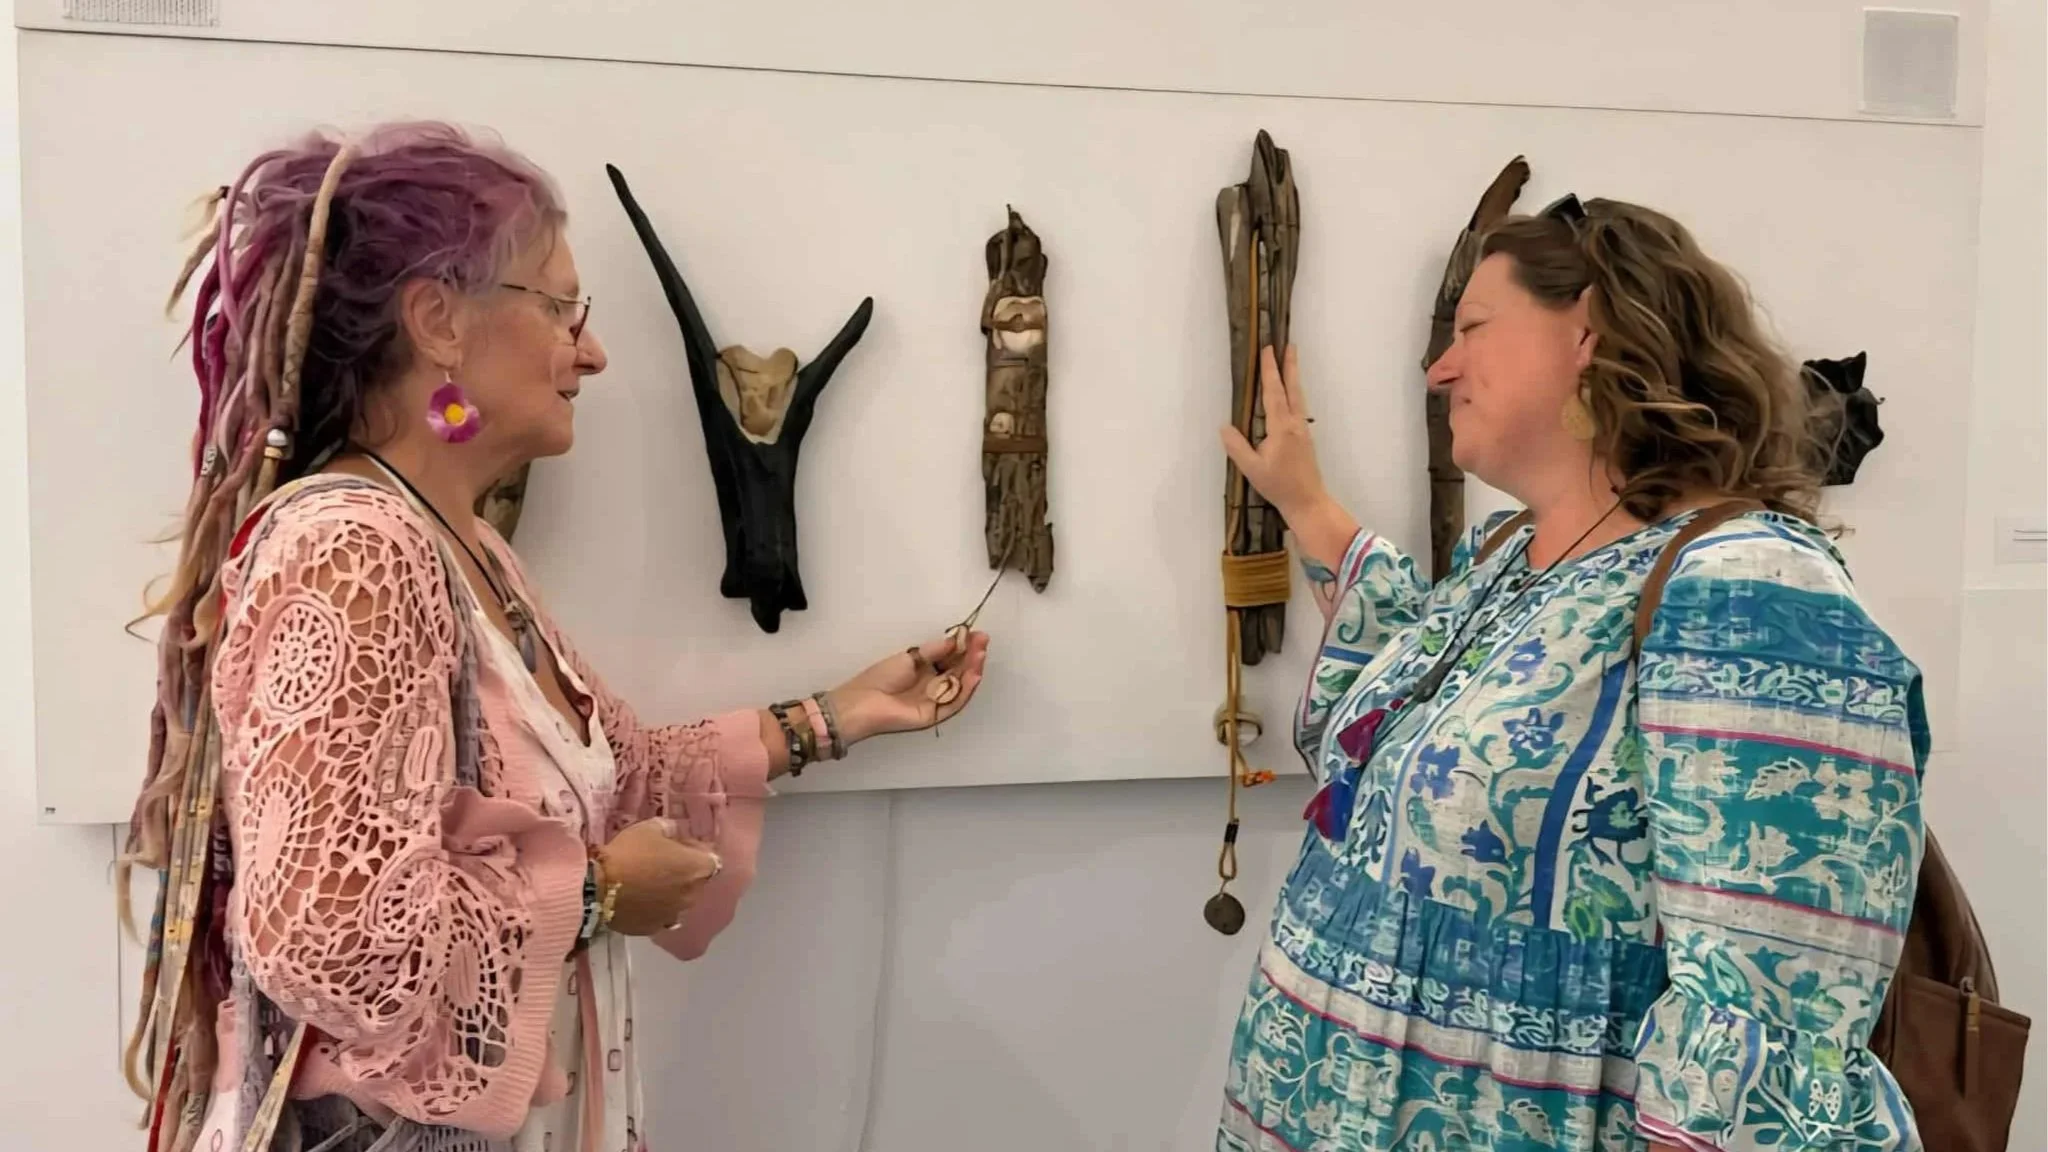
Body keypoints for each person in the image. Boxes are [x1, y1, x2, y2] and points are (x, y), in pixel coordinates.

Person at [118, 122, 990, 1152]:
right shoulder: (355, 548)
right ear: (438, 319)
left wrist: (838, 714)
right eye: (563, 306)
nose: (592, 349)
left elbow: (617, 775)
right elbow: (328, 939)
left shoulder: (466, 548)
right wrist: (597, 895)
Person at [1214, 197, 1926, 1151]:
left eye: (1471, 328)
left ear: (1591, 330)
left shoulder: (1752, 594)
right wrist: (1306, 502)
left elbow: (1775, 1017)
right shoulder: (1516, 551)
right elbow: (1396, 717)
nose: (1440, 368)